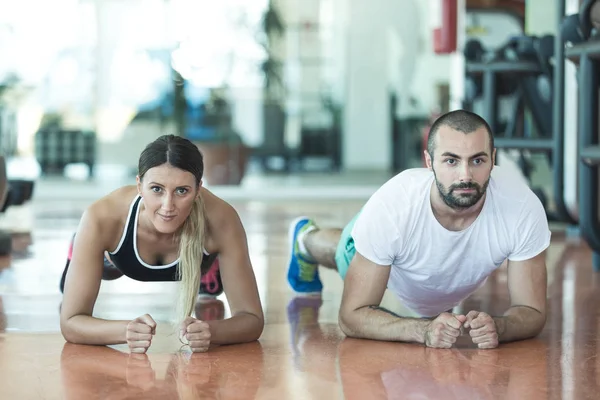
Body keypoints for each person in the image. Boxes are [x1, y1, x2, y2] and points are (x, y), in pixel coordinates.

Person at [286, 109, 551, 349]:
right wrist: (422, 329)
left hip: (421, 266)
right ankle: (305, 239)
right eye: (451, 161)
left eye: (477, 161)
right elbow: (351, 316)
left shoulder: (521, 207)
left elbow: (532, 311)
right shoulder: (394, 207)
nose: (465, 176)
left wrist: (500, 327)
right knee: (343, 251)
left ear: (493, 159)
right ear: (429, 161)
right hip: (385, 234)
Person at [59, 134, 264, 353]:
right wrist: (125, 330)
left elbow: (252, 319)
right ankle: (79, 245)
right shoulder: (102, 218)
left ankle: (212, 265)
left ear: (198, 190)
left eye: (182, 191)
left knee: (204, 257)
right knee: (103, 270)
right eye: (156, 189)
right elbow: (70, 322)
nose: (168, 206)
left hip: (197, 258)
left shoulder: (221, 220)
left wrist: (211, 331)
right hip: (116, 263)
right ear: (139, 186)